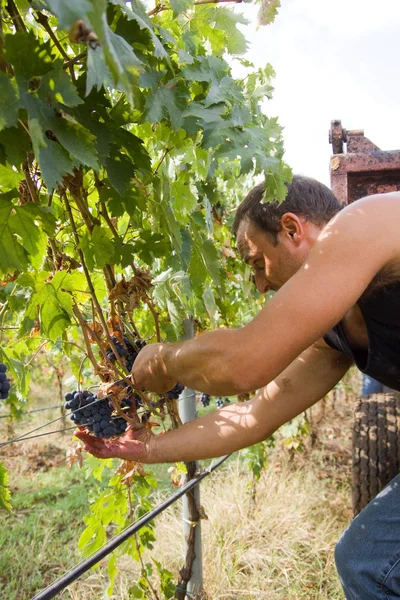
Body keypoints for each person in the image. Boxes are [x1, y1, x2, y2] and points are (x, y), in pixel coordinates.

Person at [76, 175, 400, 599]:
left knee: (370, 565)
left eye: (255, 261)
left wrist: (165, 360)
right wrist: (149, 449)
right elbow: (256, 414)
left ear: (291, 228)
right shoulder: (334, 334)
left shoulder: (369, 220)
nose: (260, 285)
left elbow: (242, 363)